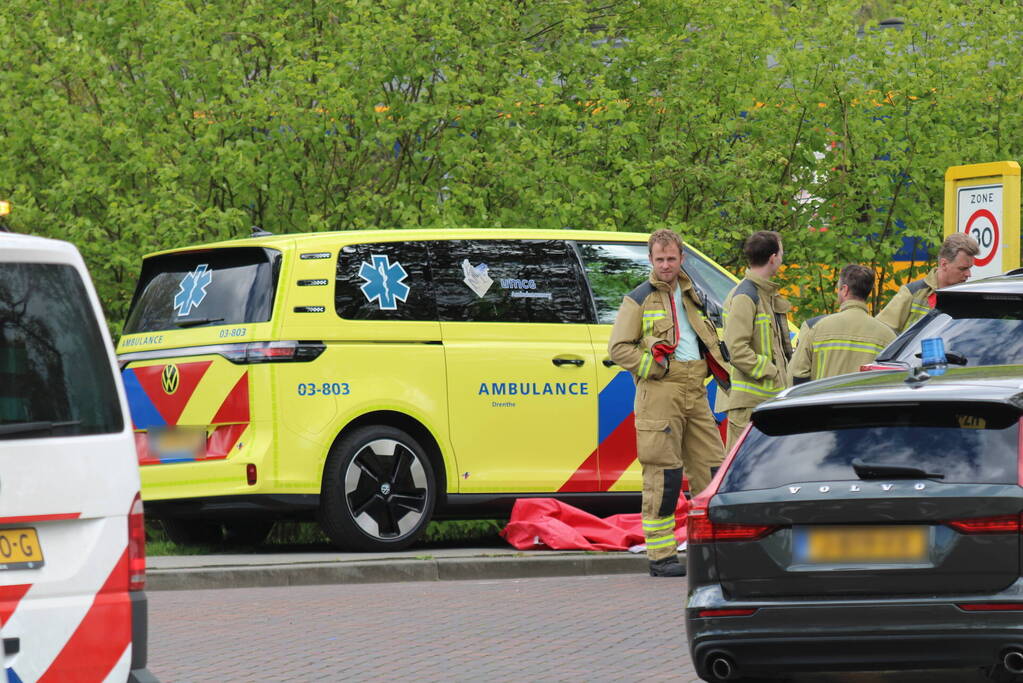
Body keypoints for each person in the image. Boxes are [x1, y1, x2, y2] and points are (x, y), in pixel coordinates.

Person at [608, 229, 730, 578]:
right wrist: (655, 368)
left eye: (671, 259)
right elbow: (619, 348)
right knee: (663, 472)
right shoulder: (639, 298)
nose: (665, 265)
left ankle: (712, 550)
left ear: (681, 259)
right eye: (659, 259)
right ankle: (660, 557)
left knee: (711, 467)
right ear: (650, 260)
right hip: (661, 390)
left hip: (695, 387)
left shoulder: (693, 294)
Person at [721, 230, 792, 450]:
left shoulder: (763, 294)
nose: (781, 258)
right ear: (773, 258)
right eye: (781, 253)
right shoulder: (746, 295)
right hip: (749, 405)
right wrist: (771, 371)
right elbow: (736, 349)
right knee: (742, 473)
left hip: (764, 402)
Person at [790, 264, 896, 383]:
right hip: (866, 401)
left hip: (822, 400)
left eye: (838, 288)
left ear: (845, 290)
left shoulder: (815, 327)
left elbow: (796, 374)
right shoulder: (888, 336)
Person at [875, 232, 980, 334]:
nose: (968, 274)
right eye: (962, 269)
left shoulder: (968, 299)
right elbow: (881, 331)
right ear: (944, 264)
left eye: (969, 268)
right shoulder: (912, 293)